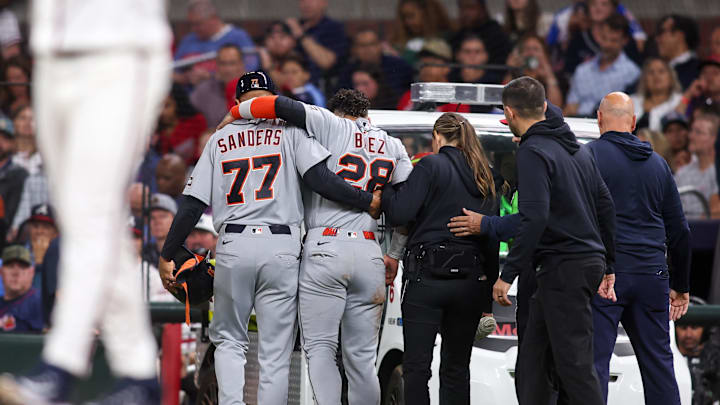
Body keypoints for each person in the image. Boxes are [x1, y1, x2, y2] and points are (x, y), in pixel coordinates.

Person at [158, 72, 381, 405]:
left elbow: (192, 203)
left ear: (236, 104)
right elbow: (321, 180)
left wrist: (168, 252)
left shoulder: (220, 138)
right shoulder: (290, 130)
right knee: (275, 350)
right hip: (282, 246)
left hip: (234, 243)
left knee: (230, 341)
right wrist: (367, 201)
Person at [0, 0, 171, 401]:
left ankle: (61, 364)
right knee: (91, 220)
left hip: (119, 54)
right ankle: (139, 374)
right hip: (50, 55)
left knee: (90, 214)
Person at [218, 88, 412, 405]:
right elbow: (406, 208)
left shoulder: (330, 124)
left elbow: (279, 104)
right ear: (368, 116)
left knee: (321, 349)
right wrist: (394, 254)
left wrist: (238, 112)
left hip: (326, 248)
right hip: (370, 251)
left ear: (336, 113)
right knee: (362, 359)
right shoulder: (393, 145)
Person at [494, 76, 616, 405]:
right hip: (576, 265)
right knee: (533, 360)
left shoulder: (533, 151)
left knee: (574, 365)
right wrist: (609, 264)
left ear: (509, 112)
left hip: (564, 267)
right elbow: (605, 206)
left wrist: (508, 275)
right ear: (545, 107)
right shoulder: (578, 151)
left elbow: (534, 217)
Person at [378, 112, 499, 405]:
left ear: (437, 137)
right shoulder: (485, 174)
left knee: (417, 368)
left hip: (427, 281)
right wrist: (487, 300)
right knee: (457, 369)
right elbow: (491, 239)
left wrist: (390, 187)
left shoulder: (431, 166)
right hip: (470, 284)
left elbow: (399, 214)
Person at [587, 92, 690, 405]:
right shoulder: (658, 165)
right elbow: (681, 231)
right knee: (659, 366)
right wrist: (681, 285)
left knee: (594, 366)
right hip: (652, 275)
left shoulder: (588, 157)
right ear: (632, 123)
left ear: (599, 119)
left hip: (607, 276)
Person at [565, 13, 640, 117]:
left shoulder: (632, 72)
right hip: (579, 125)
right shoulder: (582, 70)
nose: (607, 45)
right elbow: (571, 106)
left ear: (624, 41)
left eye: (613, 41)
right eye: (604, 38)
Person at [174, 0, 258, 85]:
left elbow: (251, 68)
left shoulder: (238, 37)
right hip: (186, 94)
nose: (193, 29)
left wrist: (211, 77)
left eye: (198, 24)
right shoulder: (188, 40)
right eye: (191, 24)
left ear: (213, 19)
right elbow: (171, 71)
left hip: (224, 93)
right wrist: (185, 78)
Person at [562, 0, 642, 77]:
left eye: (604, 4)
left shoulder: (624, 37)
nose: (598, 8)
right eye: (593, 4)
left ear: (613, 8)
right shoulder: (578, 39)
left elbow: (637, 70)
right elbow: (569, 71)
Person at [396, 38, 470, 113]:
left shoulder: (456, 99)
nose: (426, 68)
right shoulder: (410, 96)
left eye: (432, 63)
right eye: (423, 63)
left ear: (447, 68)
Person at [285, 0, 349, 85]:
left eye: (311, 0)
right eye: (303, 1)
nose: (307, 4)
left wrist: (301, 35)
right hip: (292, 84)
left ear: (324, 3)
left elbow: (326, 62)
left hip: (324, 86)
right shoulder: (293, 26)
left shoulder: (334, 28)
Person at [337, 29, 414, 97]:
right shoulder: (347, 72)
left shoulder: (398, 66)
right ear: (354, 49)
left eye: (372, 44)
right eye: (362, 45)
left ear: (380, 45)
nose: (368, 49)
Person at [674, 112, 720, 218]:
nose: (691, 136)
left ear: (715, 138)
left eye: (698, 132)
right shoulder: (682, 172)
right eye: (692, 131)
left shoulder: (716, 172)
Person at [676, 297, 720, 405]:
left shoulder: (715, 358)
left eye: (694, 327)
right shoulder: (665, 357)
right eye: (683, 327)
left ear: (705, 330)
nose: (689, 334)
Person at [190, 44, 246, 128]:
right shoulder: (204, 89)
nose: (228, 69)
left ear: (241, 64)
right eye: (223, 63)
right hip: (214, 137)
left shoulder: (254, 88)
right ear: (216, 65)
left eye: (232, 63)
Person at [503, 34, 564, 107]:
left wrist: (549, 76)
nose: (531, 53)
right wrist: (511, 70)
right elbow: (504, 101)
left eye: (536, 49)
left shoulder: (555, 77)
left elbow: (556, 107)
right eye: (527, 49)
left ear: (545, 54)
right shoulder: (515, 75)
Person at [155, 83, 208, 165]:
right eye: (158, 106)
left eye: (167, 106)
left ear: (178, 104)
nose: (162, 112)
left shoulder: (196, 121)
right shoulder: (155, 130)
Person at [449, 0, 512, 66]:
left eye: (471, 8)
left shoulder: (497, 36)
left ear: (482, 10)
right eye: (461, 8)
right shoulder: (457, 36)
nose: (465, 13)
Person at [390, 0, 452, 66]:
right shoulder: (400, 41)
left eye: (411, 16)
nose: (407, 22)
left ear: (426, 14)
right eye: (404, 18)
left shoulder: (446, 39)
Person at [631, 58, 684, 132]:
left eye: (661, 71)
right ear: (645, 79)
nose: (656, 76)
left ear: (671, 77)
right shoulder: (631, 101)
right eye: (651, 72)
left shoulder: (679, 101)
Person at [0, 245, 42, 333]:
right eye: (10, 266)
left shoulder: (39, 302)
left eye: (22, 267)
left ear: (31, 272)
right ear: (1, 271)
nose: (16, 272)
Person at [0, 116, 27, 245]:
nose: (0, 142)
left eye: (5, 138)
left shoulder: (20, 175)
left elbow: (11, 217)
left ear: (13, 143)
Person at [655, 15, 700, 90]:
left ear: (679, 36)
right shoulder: (656, 67)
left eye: (662, 32)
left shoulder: (698, 72)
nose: (657, 39)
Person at [678, 55, 720, 119]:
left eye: (715, 73)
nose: (709, 77)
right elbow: (676, 119)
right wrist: (689, 94)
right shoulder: (694, 101)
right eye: (704, 73)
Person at [143, 193, 177, 266]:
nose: (157, 221)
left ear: (175, 219)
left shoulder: (186, 254)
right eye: (152, 217)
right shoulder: (142, 254)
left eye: (162, 216)